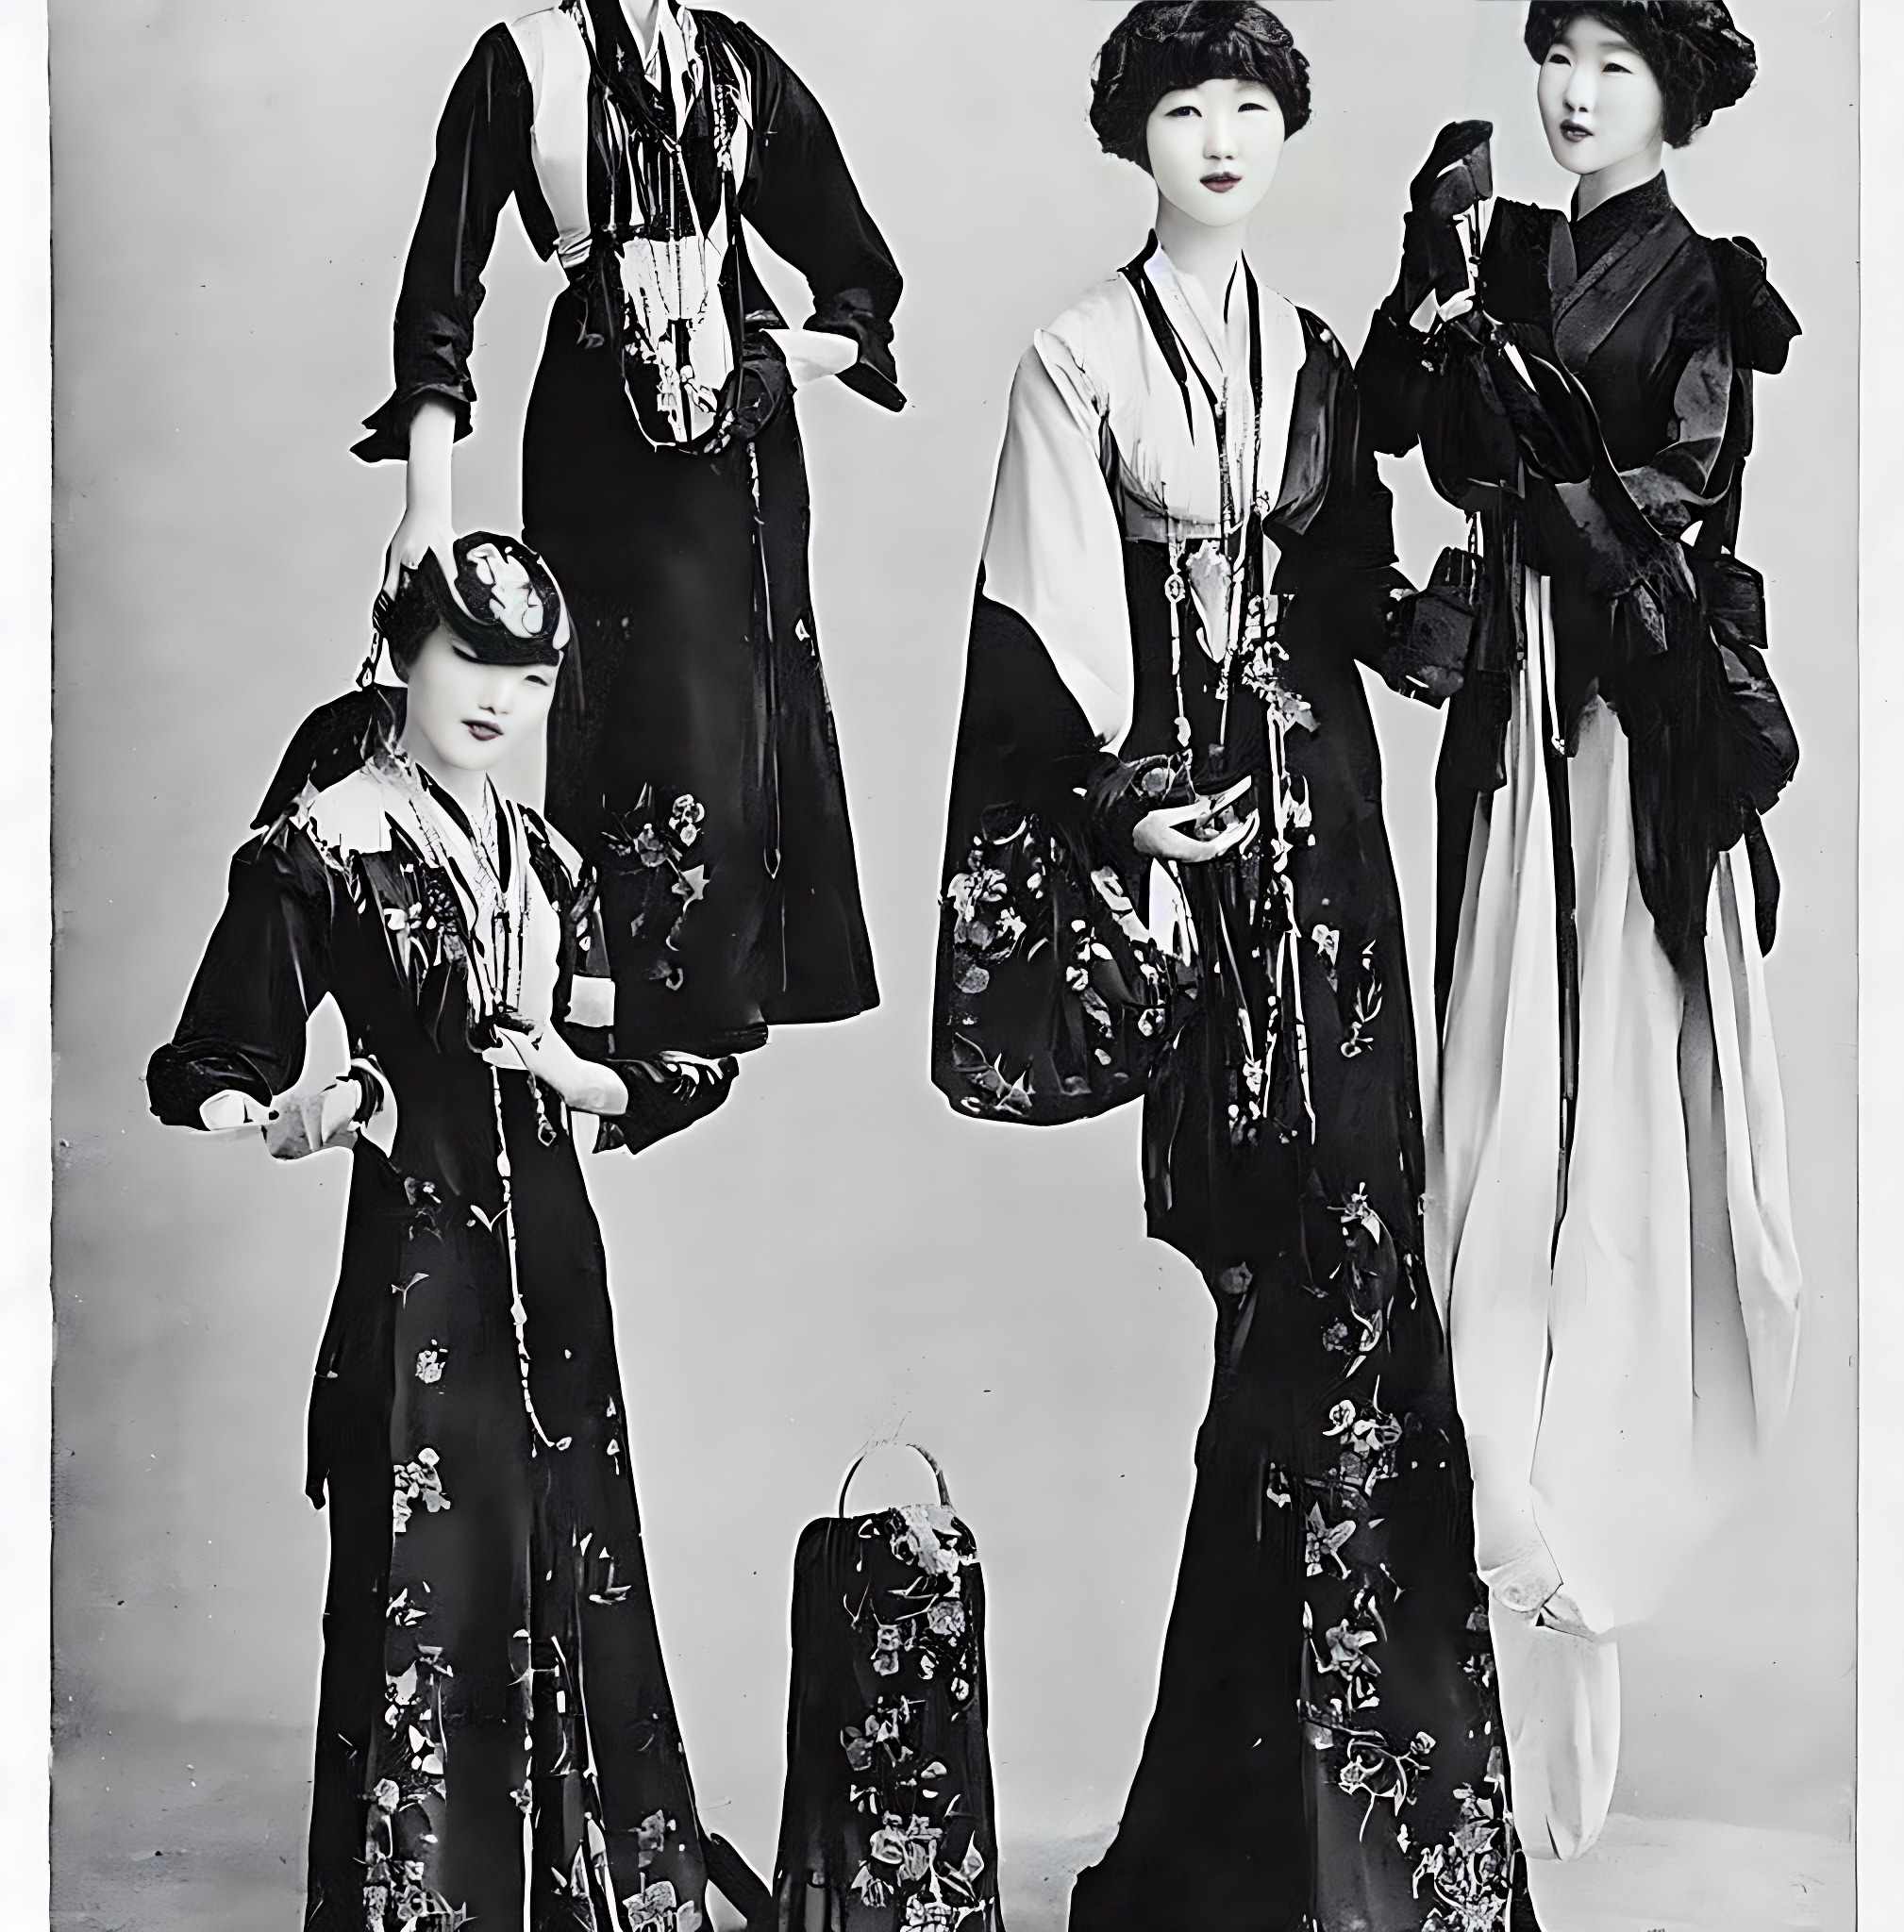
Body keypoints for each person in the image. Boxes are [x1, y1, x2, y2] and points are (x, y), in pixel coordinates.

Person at [934, 8, 1534, 1927]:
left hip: (1330, 865)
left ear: (1284, 134)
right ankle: (1260, 1842)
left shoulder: (1312, 356)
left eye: (1248, 108)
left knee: (1366, 1298)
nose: (1217, 136)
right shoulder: (1072, 358)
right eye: (1183, 106)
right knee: (1279, 1306)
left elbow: (1359, 605)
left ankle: (1351, 1840)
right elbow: (1036, 647)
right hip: (1199, 879)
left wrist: (1491, 563)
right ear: (1131, 133)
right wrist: (1123, 818)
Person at [1357, 0, 1803, 1860]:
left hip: (1618, 725)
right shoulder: (1509, 248)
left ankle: (1585, 1515)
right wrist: (1428, 295)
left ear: (1672, 93)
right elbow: (1396, 421)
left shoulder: (1698, 283)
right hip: (1510, 726)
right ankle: (1501, 1544)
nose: (1570, 92)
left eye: (1613, 67)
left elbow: (1680, 500)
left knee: (1602, 1098)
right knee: (1494, 1106)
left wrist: (1535, 488)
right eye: (1558, 55)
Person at [148, 534, 742, 1932]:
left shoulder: (552, 864)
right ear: (402, 653)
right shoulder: (329, 844)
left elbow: (658, 1061)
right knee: (430, 1596)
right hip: (419, 1287)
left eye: (527, 675)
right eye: (470, 659)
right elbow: (213, 1061)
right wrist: (310, 1109)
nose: (495, 697)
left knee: (579, 1583)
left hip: (561, 1284)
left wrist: (586, 1079)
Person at [359, 0, 905, 1062]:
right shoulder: (523, 62)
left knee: (729, 707)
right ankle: (627, 1018)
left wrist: (792, 359)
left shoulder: (736, 67)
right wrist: (425, 498)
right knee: (626, 705)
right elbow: (440, 285)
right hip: (595, 433)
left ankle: (708, 1014)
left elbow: (856, 274)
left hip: (738, 442)